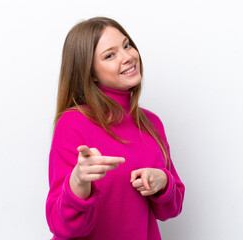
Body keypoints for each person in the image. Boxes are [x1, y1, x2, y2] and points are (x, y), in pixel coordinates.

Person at [45, 17, 185, 240]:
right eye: (110, 55)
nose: (128, 57)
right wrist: (79, 182)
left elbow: (171, 209)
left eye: (127, 45)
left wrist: (163, 181)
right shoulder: (73, 122)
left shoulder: (151, 123)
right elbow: (61, 225)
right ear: (90, 73)